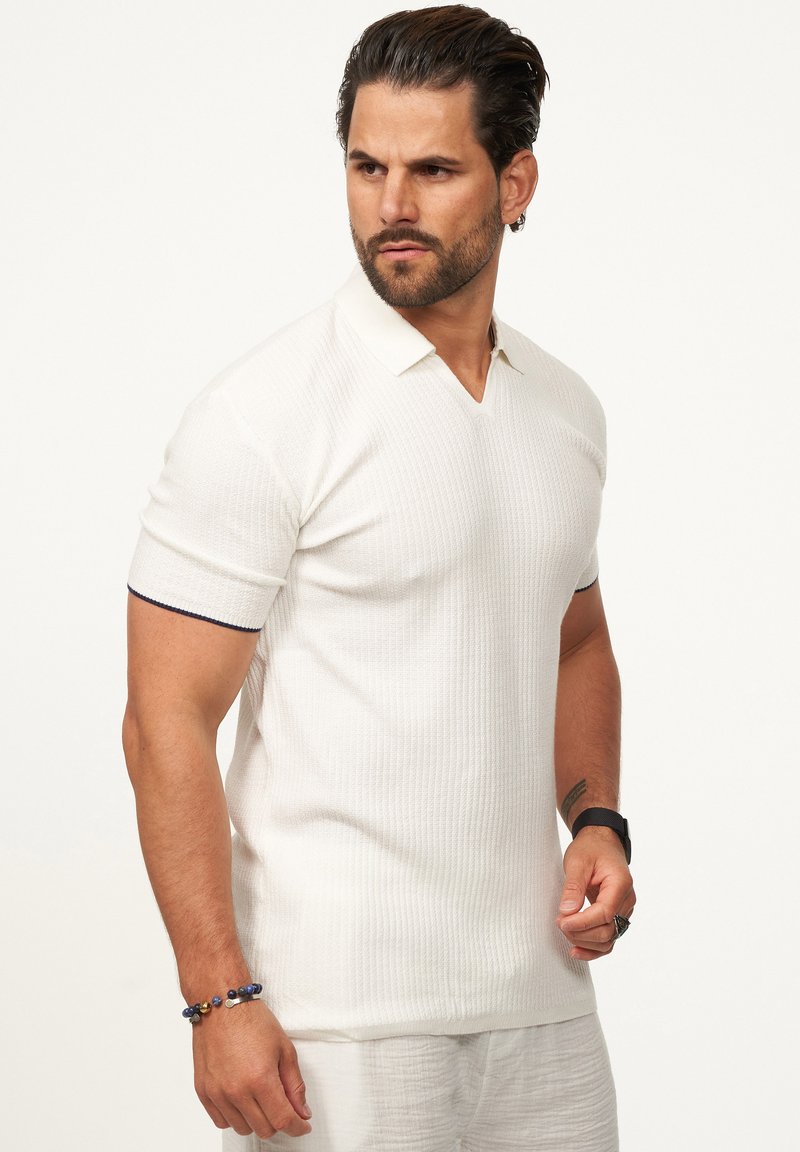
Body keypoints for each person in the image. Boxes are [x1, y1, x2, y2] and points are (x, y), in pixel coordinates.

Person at [123, 6, 635, 1149]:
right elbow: (165, 718)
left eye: (433, 170)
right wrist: (217, 997)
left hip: (543, 1004)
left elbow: (573, 637)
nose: (391, 204)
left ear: (514, 183)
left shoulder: (563, 411)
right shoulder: (263, 414)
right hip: (334, 1028)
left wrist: (596, 819)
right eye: (366, 167)